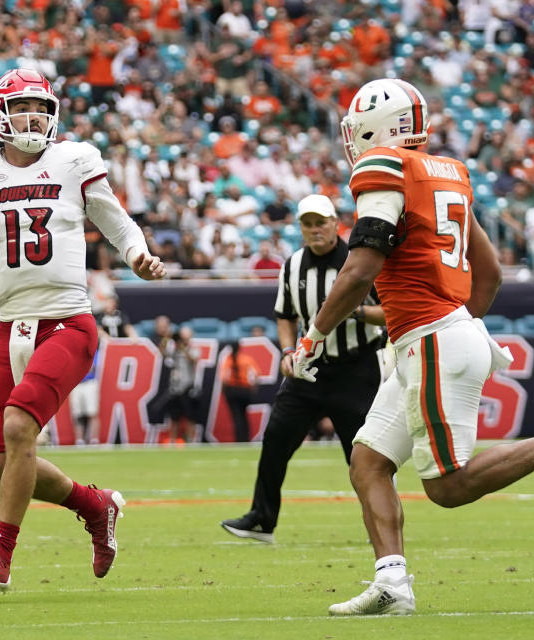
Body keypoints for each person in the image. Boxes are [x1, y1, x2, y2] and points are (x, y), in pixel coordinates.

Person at [291, 78, 534, 616]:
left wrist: (314, 336)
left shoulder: (385, 167)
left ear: (377, 128)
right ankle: (393, 584)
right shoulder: (447, 171)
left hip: (433, 338)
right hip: (439, 334)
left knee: (448, 487)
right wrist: (458, 326)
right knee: (367, 461)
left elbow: (361, 268)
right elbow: (492, 272)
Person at [0, 68, 167, 591]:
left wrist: (138, 255)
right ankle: (95, 505)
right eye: (22, 107)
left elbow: (115, 220)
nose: (34, 117)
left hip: (69, 320)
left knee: (20, 429)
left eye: (41, 107)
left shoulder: (74, 160)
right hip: (12, 325)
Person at [220, 194, 385, 543]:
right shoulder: (292, 265)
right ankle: (262, 520)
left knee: (363, 455)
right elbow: (285, 316)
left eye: (320, 222)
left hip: (356, 368)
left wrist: (352, 309)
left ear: (334, 223)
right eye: (307, 224)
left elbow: (392, 311)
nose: (314, 230)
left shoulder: (362, 262)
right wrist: (286, 350)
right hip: (308, 369)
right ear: (300, 228)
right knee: (276, 440)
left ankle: (383, 522)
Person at [163, 326, 200, 444]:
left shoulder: (193, 349)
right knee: (174, 416)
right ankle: (172, 440)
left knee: (190, 416)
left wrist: (182, 347)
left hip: (187, 387)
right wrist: (166, 339)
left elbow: (193, 360)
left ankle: (191, 440)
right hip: (175, 388)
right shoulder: (174, 351)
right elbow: (162, 354)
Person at [218, 339, 259, 444]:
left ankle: (239, 439)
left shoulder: (228, 360)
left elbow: (224, 378)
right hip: (245, 390)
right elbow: (255, 375)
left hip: (232, 390)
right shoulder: (246, 359)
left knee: (236, 416)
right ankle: (246, 438)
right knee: (244, 415)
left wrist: (224, 391)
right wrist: (253, 388)